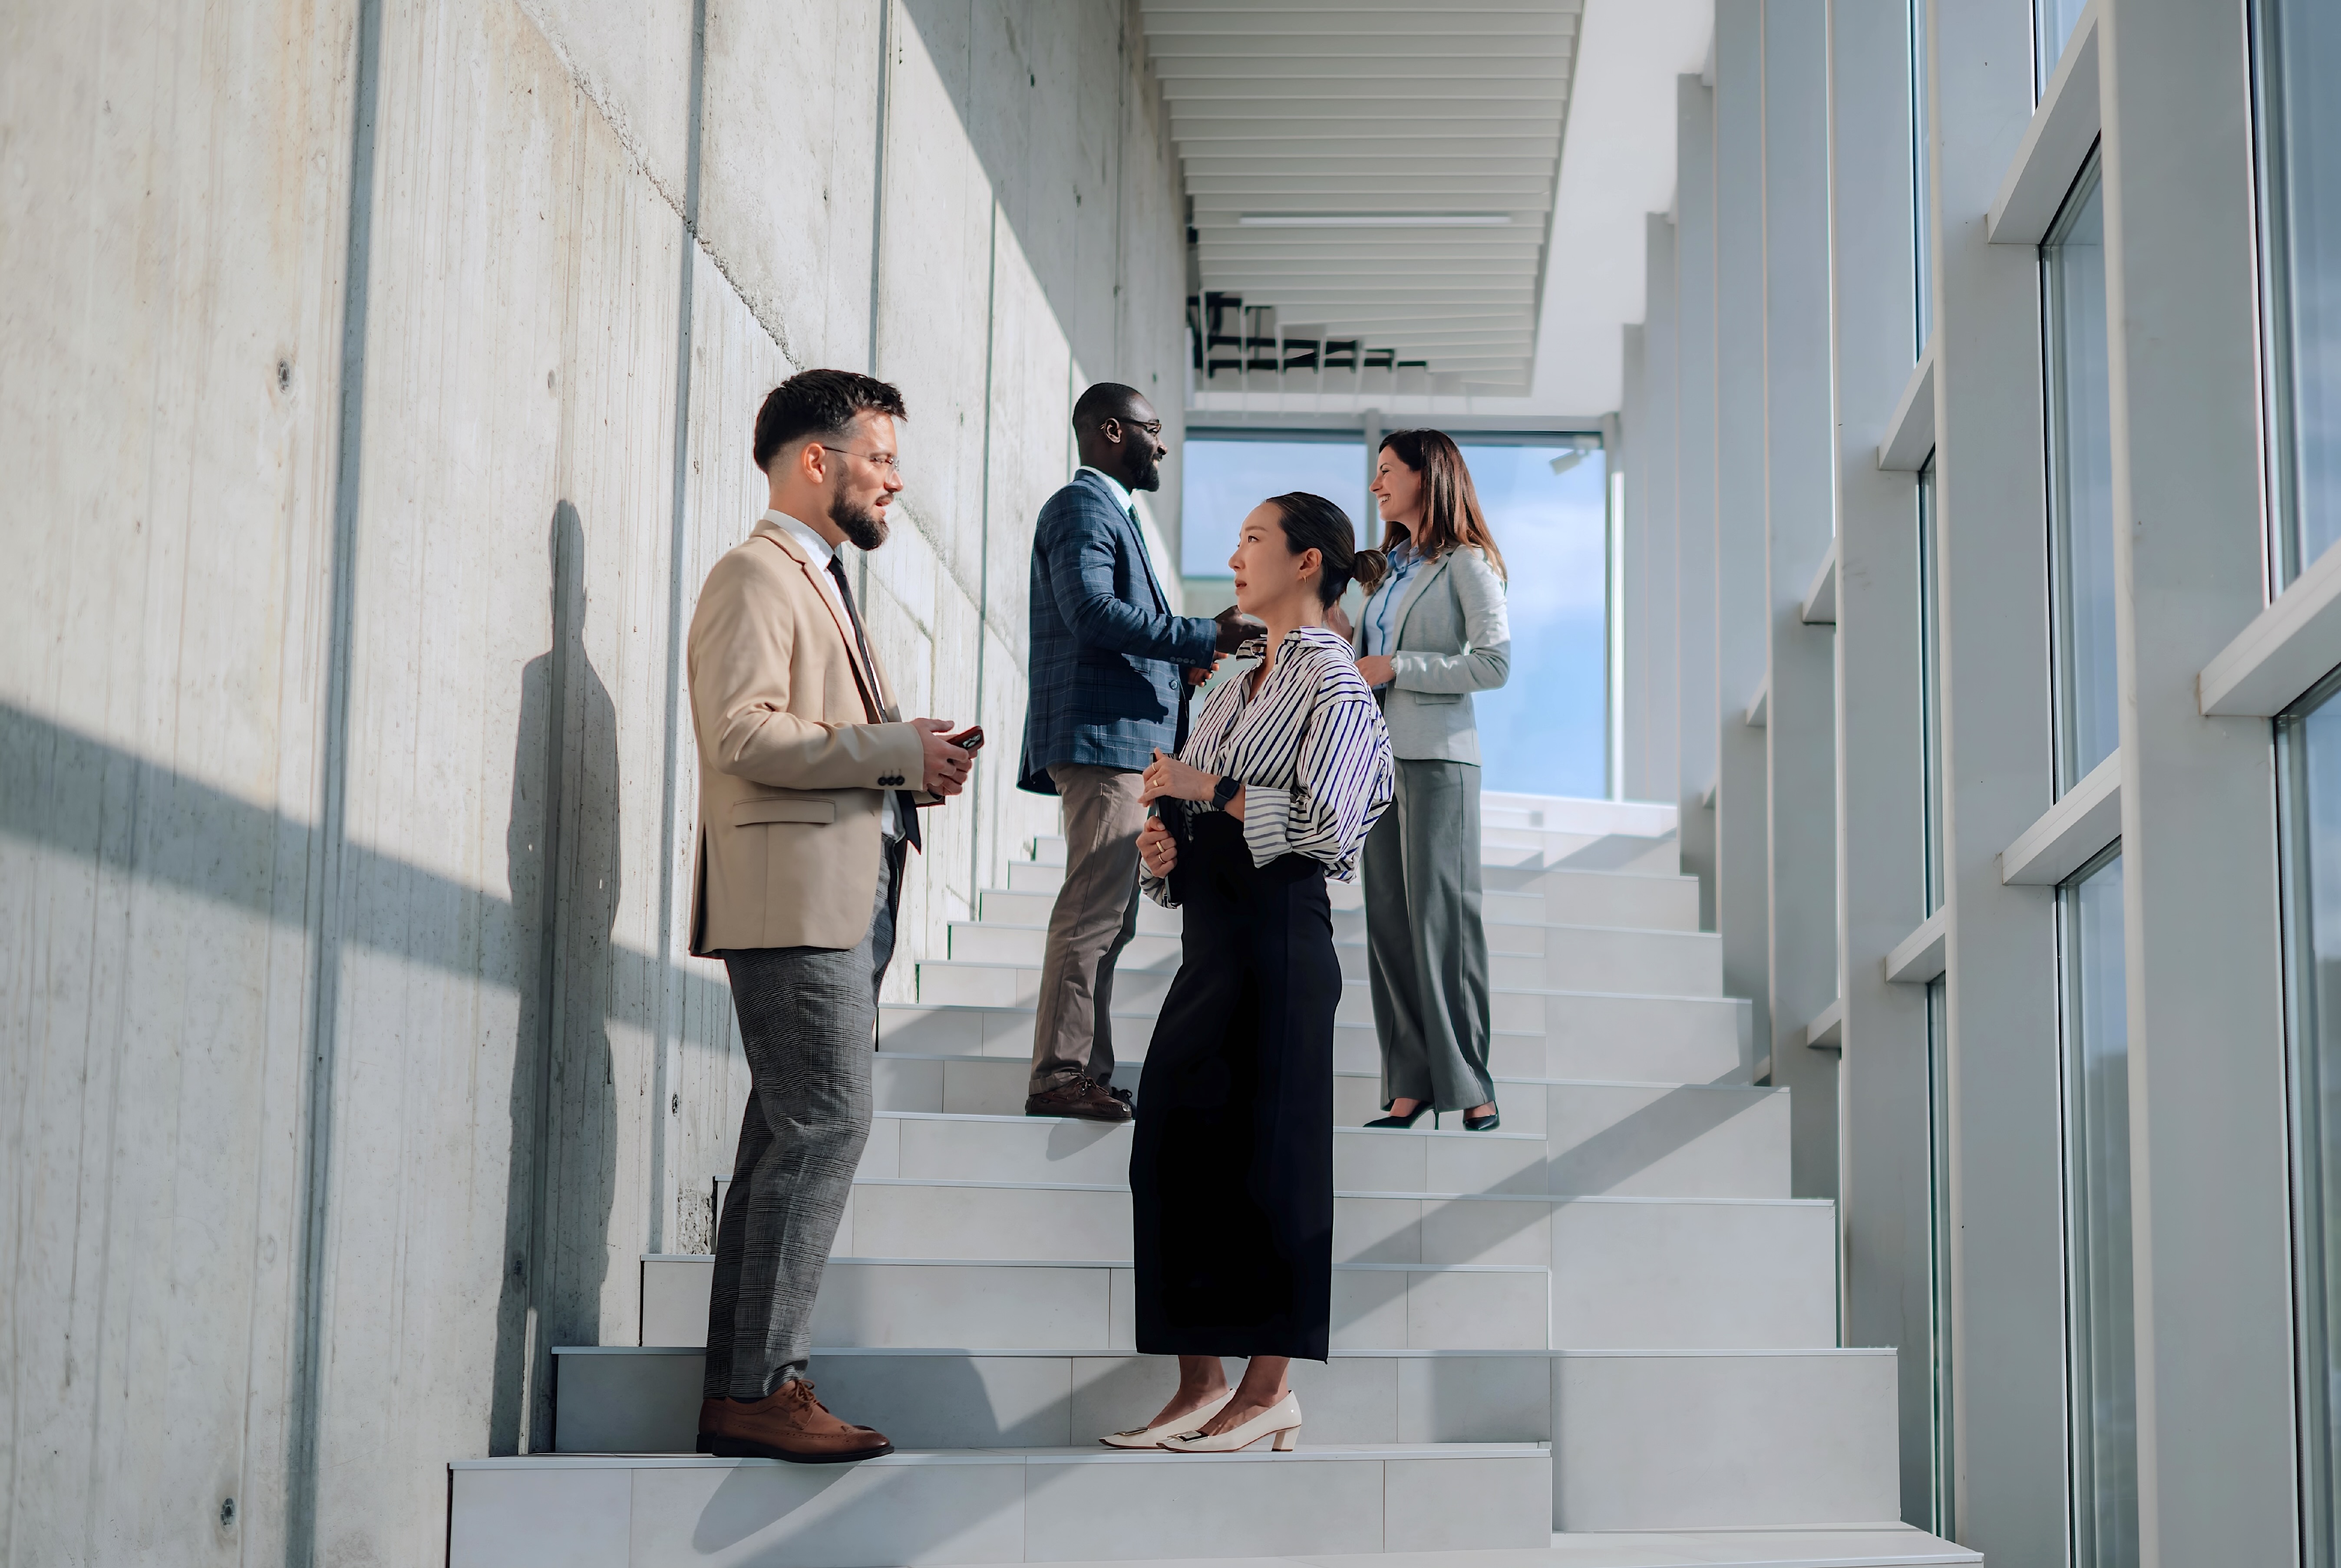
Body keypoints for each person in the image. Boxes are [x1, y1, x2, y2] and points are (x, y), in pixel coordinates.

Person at [687, 370, 974, 1463]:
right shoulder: (757, 576)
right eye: (881, 459)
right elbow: (743, 737)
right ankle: (766, 1387)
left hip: (838, 896)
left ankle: (740, 1390)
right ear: (818, 460)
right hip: (796, 902)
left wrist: (911, 766)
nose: (895, 483)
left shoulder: (820, 581)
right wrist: (894, 751)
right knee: (827, 1126)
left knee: (783, 1141)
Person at [1103, 492, 1394, 1454]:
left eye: (1254, 540)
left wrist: (1209, 791)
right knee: (1171, 1151)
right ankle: (1200, 1385)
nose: (1234, 556)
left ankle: (1268, 1391)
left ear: (1306, 562)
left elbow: (1327, 828)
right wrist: (1164, 845)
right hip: (1213, 943)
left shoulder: (1338, 686)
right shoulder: (1227, 680)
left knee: (1274, 1167)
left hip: (1279, 942)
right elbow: (1194, 809)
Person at [1018, 383, 1260, 1123]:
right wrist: (1203, 637)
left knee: (1111, 917)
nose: (1163, 445)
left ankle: (1084, 1071)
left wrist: (1182, 663)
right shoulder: (1081, 507)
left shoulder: (1112, 515)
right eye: (1154, 431)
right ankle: (1060, 1077)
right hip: (1101, 740)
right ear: (1113, 431)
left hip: (1120, 738)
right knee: (1094, 913)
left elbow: (1116, 626)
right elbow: (1091, 614)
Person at [1353, 429, 1511, 1133]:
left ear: (1428, 477)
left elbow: (1494, 665)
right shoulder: (1388, 570)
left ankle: (1470, 1081)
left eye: (1388, 472)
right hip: (1374, 764)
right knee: (1389, 923)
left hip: (1440, 759)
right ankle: (1410, 1082)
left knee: (1441, 922)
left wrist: (1399, 669)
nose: (1377, 485)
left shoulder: (1467, 564)